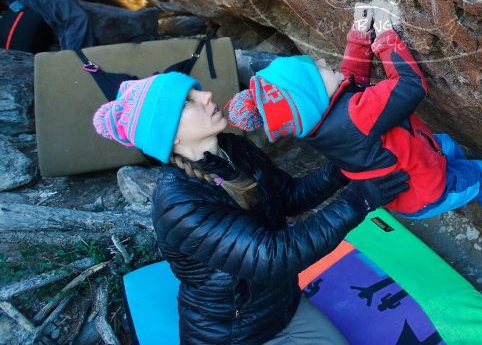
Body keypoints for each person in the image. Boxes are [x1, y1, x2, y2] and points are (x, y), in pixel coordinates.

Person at [92, 72, 409, 343]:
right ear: (167, 134)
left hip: (282, 306)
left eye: (196, 88)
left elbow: (289, 197)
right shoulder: (179, 204)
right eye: (188, 100)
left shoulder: (234, 147)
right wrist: (360, 198)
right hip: (235, 333)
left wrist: (344, 168)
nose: (206, 95)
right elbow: (274, 256)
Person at [227, 1, 482, 250]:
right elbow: (409, 85)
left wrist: (359, 34)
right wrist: (385, 35)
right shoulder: (355, 117)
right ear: (312, 99)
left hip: (410, 176)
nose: (324, 62)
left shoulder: (317, 124)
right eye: (318, 70)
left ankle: (453, 178)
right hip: (424, 191)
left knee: (446, 144)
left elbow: (351, 79)